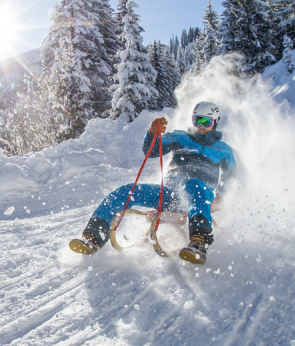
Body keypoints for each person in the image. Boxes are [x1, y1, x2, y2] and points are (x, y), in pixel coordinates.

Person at [69, 101, 237, 264]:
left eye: (205, 122)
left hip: (199, 198)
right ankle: (92, 238)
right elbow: (152, 150)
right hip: (170, 193)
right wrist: (151, 133)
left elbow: (231, 176)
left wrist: (221, 196)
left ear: (215, 123)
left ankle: (199, 244)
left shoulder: (223, 150)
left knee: (194, 185)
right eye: (197, 120)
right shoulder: (180, 137)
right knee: (126, 191)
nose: (200, 126)